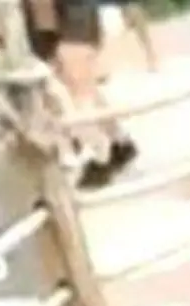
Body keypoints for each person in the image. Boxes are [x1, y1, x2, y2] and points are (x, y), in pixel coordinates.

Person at [23, 0, 138, 188]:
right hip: (69, 14)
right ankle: (118, 140)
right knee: (83, 85)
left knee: (76, 87)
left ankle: (99, 153)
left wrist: (45, 38)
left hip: (67, 15)